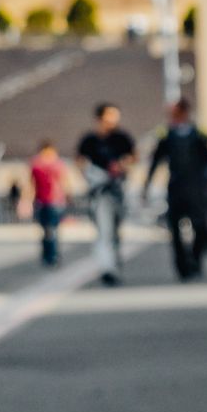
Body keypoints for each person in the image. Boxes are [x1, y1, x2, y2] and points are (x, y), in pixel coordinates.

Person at [140, 100, 207, 283]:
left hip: (197, 187)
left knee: (200, 225)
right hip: (176, 187)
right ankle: (181, 265)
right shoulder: (166, 135)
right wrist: (147, 184)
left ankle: (196, 259)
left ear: (184, 113)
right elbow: (156, 160)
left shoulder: (198, 134)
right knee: (175, 228)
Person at [75, 104, 136, 286]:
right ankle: (107, 267)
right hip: (100, 191)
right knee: (104, 231)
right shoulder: (90, 139)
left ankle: (114, 263)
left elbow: (133, 156)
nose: (115, 119)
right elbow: (80, 160)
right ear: (101, 118)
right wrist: (90, 176)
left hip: (117, 189)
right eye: (111, 115)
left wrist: (122, 165)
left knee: (115, 231)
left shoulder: (122, 138)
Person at [27, 139, 69, 268]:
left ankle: (51, 255)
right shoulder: (38, 165)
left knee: (51, 230)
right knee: (48, 230)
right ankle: (49, 255)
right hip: (43, 201)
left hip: (55, 201)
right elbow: (31, 185)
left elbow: (64, 182)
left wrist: (67, 196)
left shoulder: (55, 164)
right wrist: (26, 201)